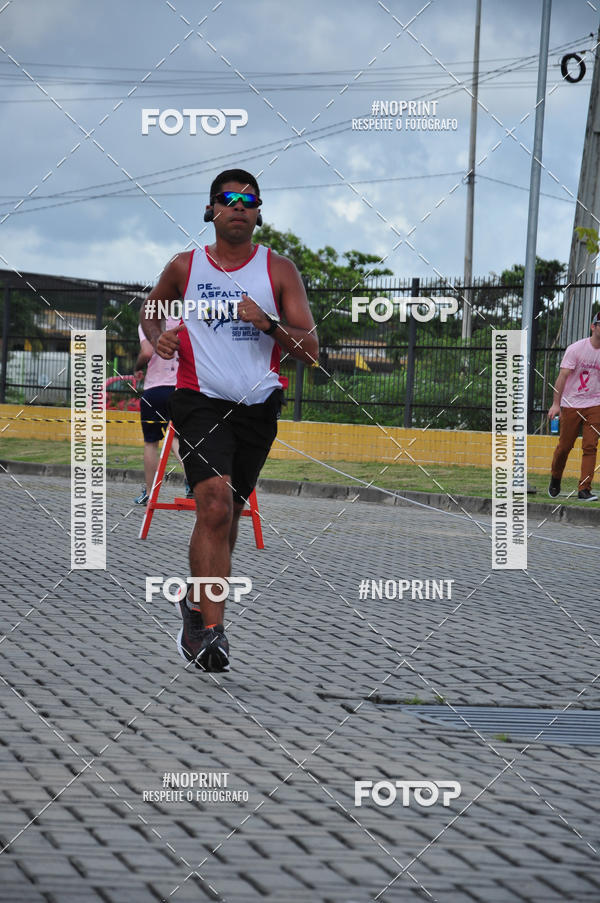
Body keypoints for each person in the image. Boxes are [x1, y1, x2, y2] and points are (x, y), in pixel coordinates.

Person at [140, 168, 318, 672]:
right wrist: (160, 338)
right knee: (214, 506)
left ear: (259, 212)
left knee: (230, 513)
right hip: (199, 399)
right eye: (228, 198)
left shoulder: (278, 270)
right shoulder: (185, 266)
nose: (238, 206)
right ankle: (212, 634)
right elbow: (151, 311)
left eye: (248, 200)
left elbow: (311, 351)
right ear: (211, 209)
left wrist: (268, 322)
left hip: (258, 407)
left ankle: (196, 607)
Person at [133, 312, 190, 504]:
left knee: (151, 442)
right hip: (179, 388)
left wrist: (137, 367)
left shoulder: (149, 324)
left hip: (155, 390)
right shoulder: (184, 321)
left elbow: (147, 353)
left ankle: (150, 493)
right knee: (175, 438)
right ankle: (192, 478)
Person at [548, 310, 600, 501]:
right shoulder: (576, 349)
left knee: (590, 446)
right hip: (571, 403)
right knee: (565, 446)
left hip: (595, 403)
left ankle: (584, 488)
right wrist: (556, 404)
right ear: (593, 327)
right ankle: (555, 477)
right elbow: (562, 377)